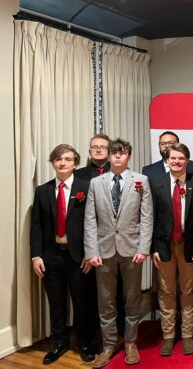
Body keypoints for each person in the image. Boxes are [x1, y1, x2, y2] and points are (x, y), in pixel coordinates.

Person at [84, 138, 153, 368]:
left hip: (132, 250)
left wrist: (144, 248)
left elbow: (147, 217)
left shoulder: (141, 181)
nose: (117, 156)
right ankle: (109, 344)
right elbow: (90, 219)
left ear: (128, 156)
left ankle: (131, 342)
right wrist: (91, 250)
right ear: (109, 155)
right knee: (106, 301)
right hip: (102, 251)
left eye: (122, 153)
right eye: (113, 153)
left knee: (132, 299)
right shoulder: (96, 182)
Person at [30, 144, 95, 364]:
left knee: (81, 302)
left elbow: (94, 223)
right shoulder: (43, 191)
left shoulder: (86, 188)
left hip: (79, 257)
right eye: (58, 159)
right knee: (56, 303)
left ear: (75, 163)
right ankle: (60, 343)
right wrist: (36, 256)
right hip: (51, 256)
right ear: (53, 163)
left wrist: (90, 253)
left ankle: (84, 343)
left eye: (67, 159)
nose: (63, 163)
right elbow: (36, 226)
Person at [150, 143, 193, 356]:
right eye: (173, 158)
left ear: (187, 161)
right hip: (164, 246)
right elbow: (150, 218)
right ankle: (169, 336)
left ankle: (188, 334)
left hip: (188, 246)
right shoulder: (157, 183)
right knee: (166, 291)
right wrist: (153, 247)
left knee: (189, 291)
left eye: (181, 158)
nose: (177, 162)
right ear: (167, 160)